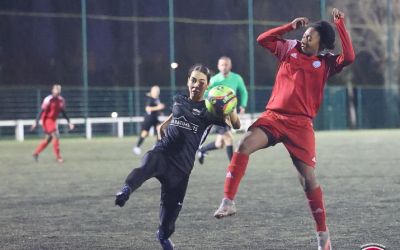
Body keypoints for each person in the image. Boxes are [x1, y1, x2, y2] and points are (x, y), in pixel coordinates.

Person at [213, 8, 355, 250]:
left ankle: (323, 236)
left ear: (321, 44)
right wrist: (289, 27)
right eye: (304, 34)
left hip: (300, 126)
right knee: (244, 144)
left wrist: (340, 25)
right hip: (274, 117)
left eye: (310, 36)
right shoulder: (289, 48)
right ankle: (228, 201)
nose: (304, 38)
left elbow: (349, 57)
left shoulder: (327, 63)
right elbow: (263, 40)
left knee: (308, 181)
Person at [115, 64, 240, 250]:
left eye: (201, 82)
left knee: (169, 218)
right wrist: (162, 126)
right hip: (163, 153)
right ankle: (125, 191)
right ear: (188, 81)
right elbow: (172, 117)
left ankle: (163, 235)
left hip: (181, 169)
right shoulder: (178, 99)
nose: (196, 84)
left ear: (207, 86)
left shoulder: (209, 112)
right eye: (193, 80)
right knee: (146, 165)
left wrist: (230, 104)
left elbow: (235, 125)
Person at [197, 56, 248, 164]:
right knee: (229, 138)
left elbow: (243, 91)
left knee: (220, 144)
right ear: (218, 66)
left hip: (230, 113)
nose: (224, 67)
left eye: (226, 64)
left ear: (230, 65)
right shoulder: (214, 80)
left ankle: (202, 150)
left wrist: (243, 105)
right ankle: (233, 167)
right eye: (222, 65)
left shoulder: (236, 78)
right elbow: (206, 93)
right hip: (217, 113)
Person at [31, 84, 75, 163]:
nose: (57, 91)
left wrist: (69, 122)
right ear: (52, 90)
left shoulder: (61, 100)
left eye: (58, 89)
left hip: (53, 120)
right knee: (56, 136)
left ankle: (35, 153)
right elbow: (41, 111)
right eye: (55, 89)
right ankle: (58, 157)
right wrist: (36, 122)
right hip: (46, 119)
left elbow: (63, 112)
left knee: (49, 139)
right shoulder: (48, 99)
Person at [133, 85, 165, 155]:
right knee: (145, 133)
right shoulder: (150, 99)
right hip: (149, 118)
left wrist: (160, 111)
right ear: (152, 91)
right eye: (156, 91)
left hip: (155, 118)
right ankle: (137, 147)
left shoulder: (157, 99)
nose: (157, 92)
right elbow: (148, 109)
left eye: (158, 91)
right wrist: (158, 107)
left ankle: (156, 146)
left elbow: (156, 109)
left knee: (160, 129)